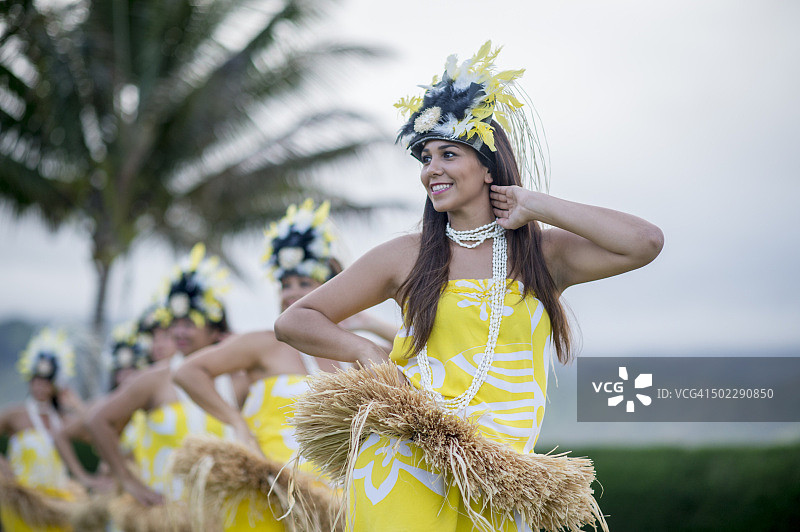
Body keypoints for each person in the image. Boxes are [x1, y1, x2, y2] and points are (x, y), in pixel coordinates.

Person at [274, 41, 663, 531]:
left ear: (487, 166)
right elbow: (295, 320)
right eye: (425, 157)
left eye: (448, 153)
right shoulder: (408, 254)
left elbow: (644, 242)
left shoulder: (543, 256)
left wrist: (536, 204)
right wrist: (370, 356)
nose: (430, 168)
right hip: (403, 455)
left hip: (501, 474)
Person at [172, 199, 395, 531]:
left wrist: (366, 319)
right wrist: (236, 422)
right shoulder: (264, 343)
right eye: (285, 285)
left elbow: (421, 357)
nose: (291, 294)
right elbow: (188, 372)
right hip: (271, 495)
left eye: (304, 284)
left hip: (338, 503)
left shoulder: (356, 353)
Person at [84, 243, 247, 517]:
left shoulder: (237, 381)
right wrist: (128, 481)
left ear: (215, 330)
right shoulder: (154, 380)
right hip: (167, 514)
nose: (180, 332)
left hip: (226, 515)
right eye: (175, 323)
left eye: (190, 323)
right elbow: (97, 421)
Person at [0, 328, 86, 531]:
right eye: (35, 380)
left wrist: (77, 405)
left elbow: (93, 433)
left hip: (58, 503)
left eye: (46, 382)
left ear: (56, 385)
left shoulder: (64, 420)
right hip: (22, 503)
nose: (40, 386)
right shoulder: (16, 415)